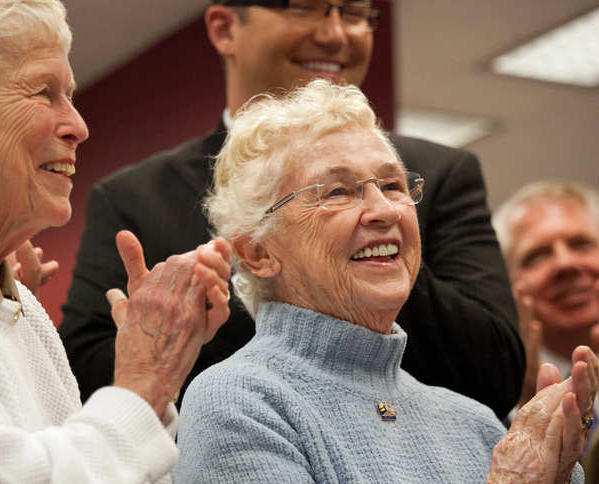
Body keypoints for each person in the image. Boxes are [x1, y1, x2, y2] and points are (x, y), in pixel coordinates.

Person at [61, 0, 524, 418]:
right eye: (304, 7)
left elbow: (495, 375)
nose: (336, 33)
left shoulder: (440, 173)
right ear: (224, 28)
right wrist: (192, 328)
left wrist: (375, 250)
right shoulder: (134, 198)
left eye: (355, 11)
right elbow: (85, 384)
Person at [174, 79, 595, 484]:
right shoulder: (237, 400)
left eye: (392, 185)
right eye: (336, 191)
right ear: (257, 253)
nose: (385, 210)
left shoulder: (474, 420)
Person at [0, 1, 230, 484]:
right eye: (43, 93)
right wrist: (142, 382)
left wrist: (149, 379)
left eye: (70, 97)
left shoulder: (20, 305)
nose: (78, 126)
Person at [493, 180, 599, 484]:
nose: (565, 264)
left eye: (581, 244)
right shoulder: (493, 406)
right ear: (508, 285)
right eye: (536, 256)